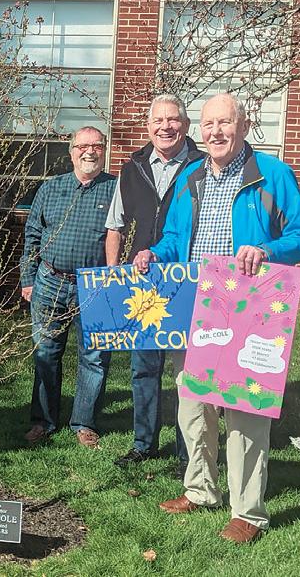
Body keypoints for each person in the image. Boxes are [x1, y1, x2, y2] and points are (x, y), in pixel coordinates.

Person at [133, 93, 300, 543]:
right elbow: (175, 238)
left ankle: (247, 512)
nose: (216, 131)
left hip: (250, 310)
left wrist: (267, 250)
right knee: (193, 406)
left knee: (244, 411)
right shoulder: (191, 178)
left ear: (244, 126)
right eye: (209, 123)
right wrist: (154, 254)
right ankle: (200, 489)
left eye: (225, 122)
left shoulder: (272, 175)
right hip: (195, 308)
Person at [106, 95, 203, 476]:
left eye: (173, 119)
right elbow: (115, 225)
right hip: (142, 280)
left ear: (186, 125)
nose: (166, 127)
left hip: (185, 280)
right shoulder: (131, 168)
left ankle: (187, 452)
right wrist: (114, 275)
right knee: (144, 368)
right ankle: (143, 444)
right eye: (158, 120)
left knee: (186, 373)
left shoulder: (202, 167)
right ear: (148, 126)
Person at [20, 126, 117, 449]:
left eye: (97, 146)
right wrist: (28, 278)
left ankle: (84, 423)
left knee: (95, 357)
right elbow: (32, 235)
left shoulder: (116, 190)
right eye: (83, 146)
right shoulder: (51, 188)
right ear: (71, 151)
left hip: (96, 286)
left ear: (104, 150)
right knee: (46, 354)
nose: (90, 152)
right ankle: (43, 421)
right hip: (50, 281)